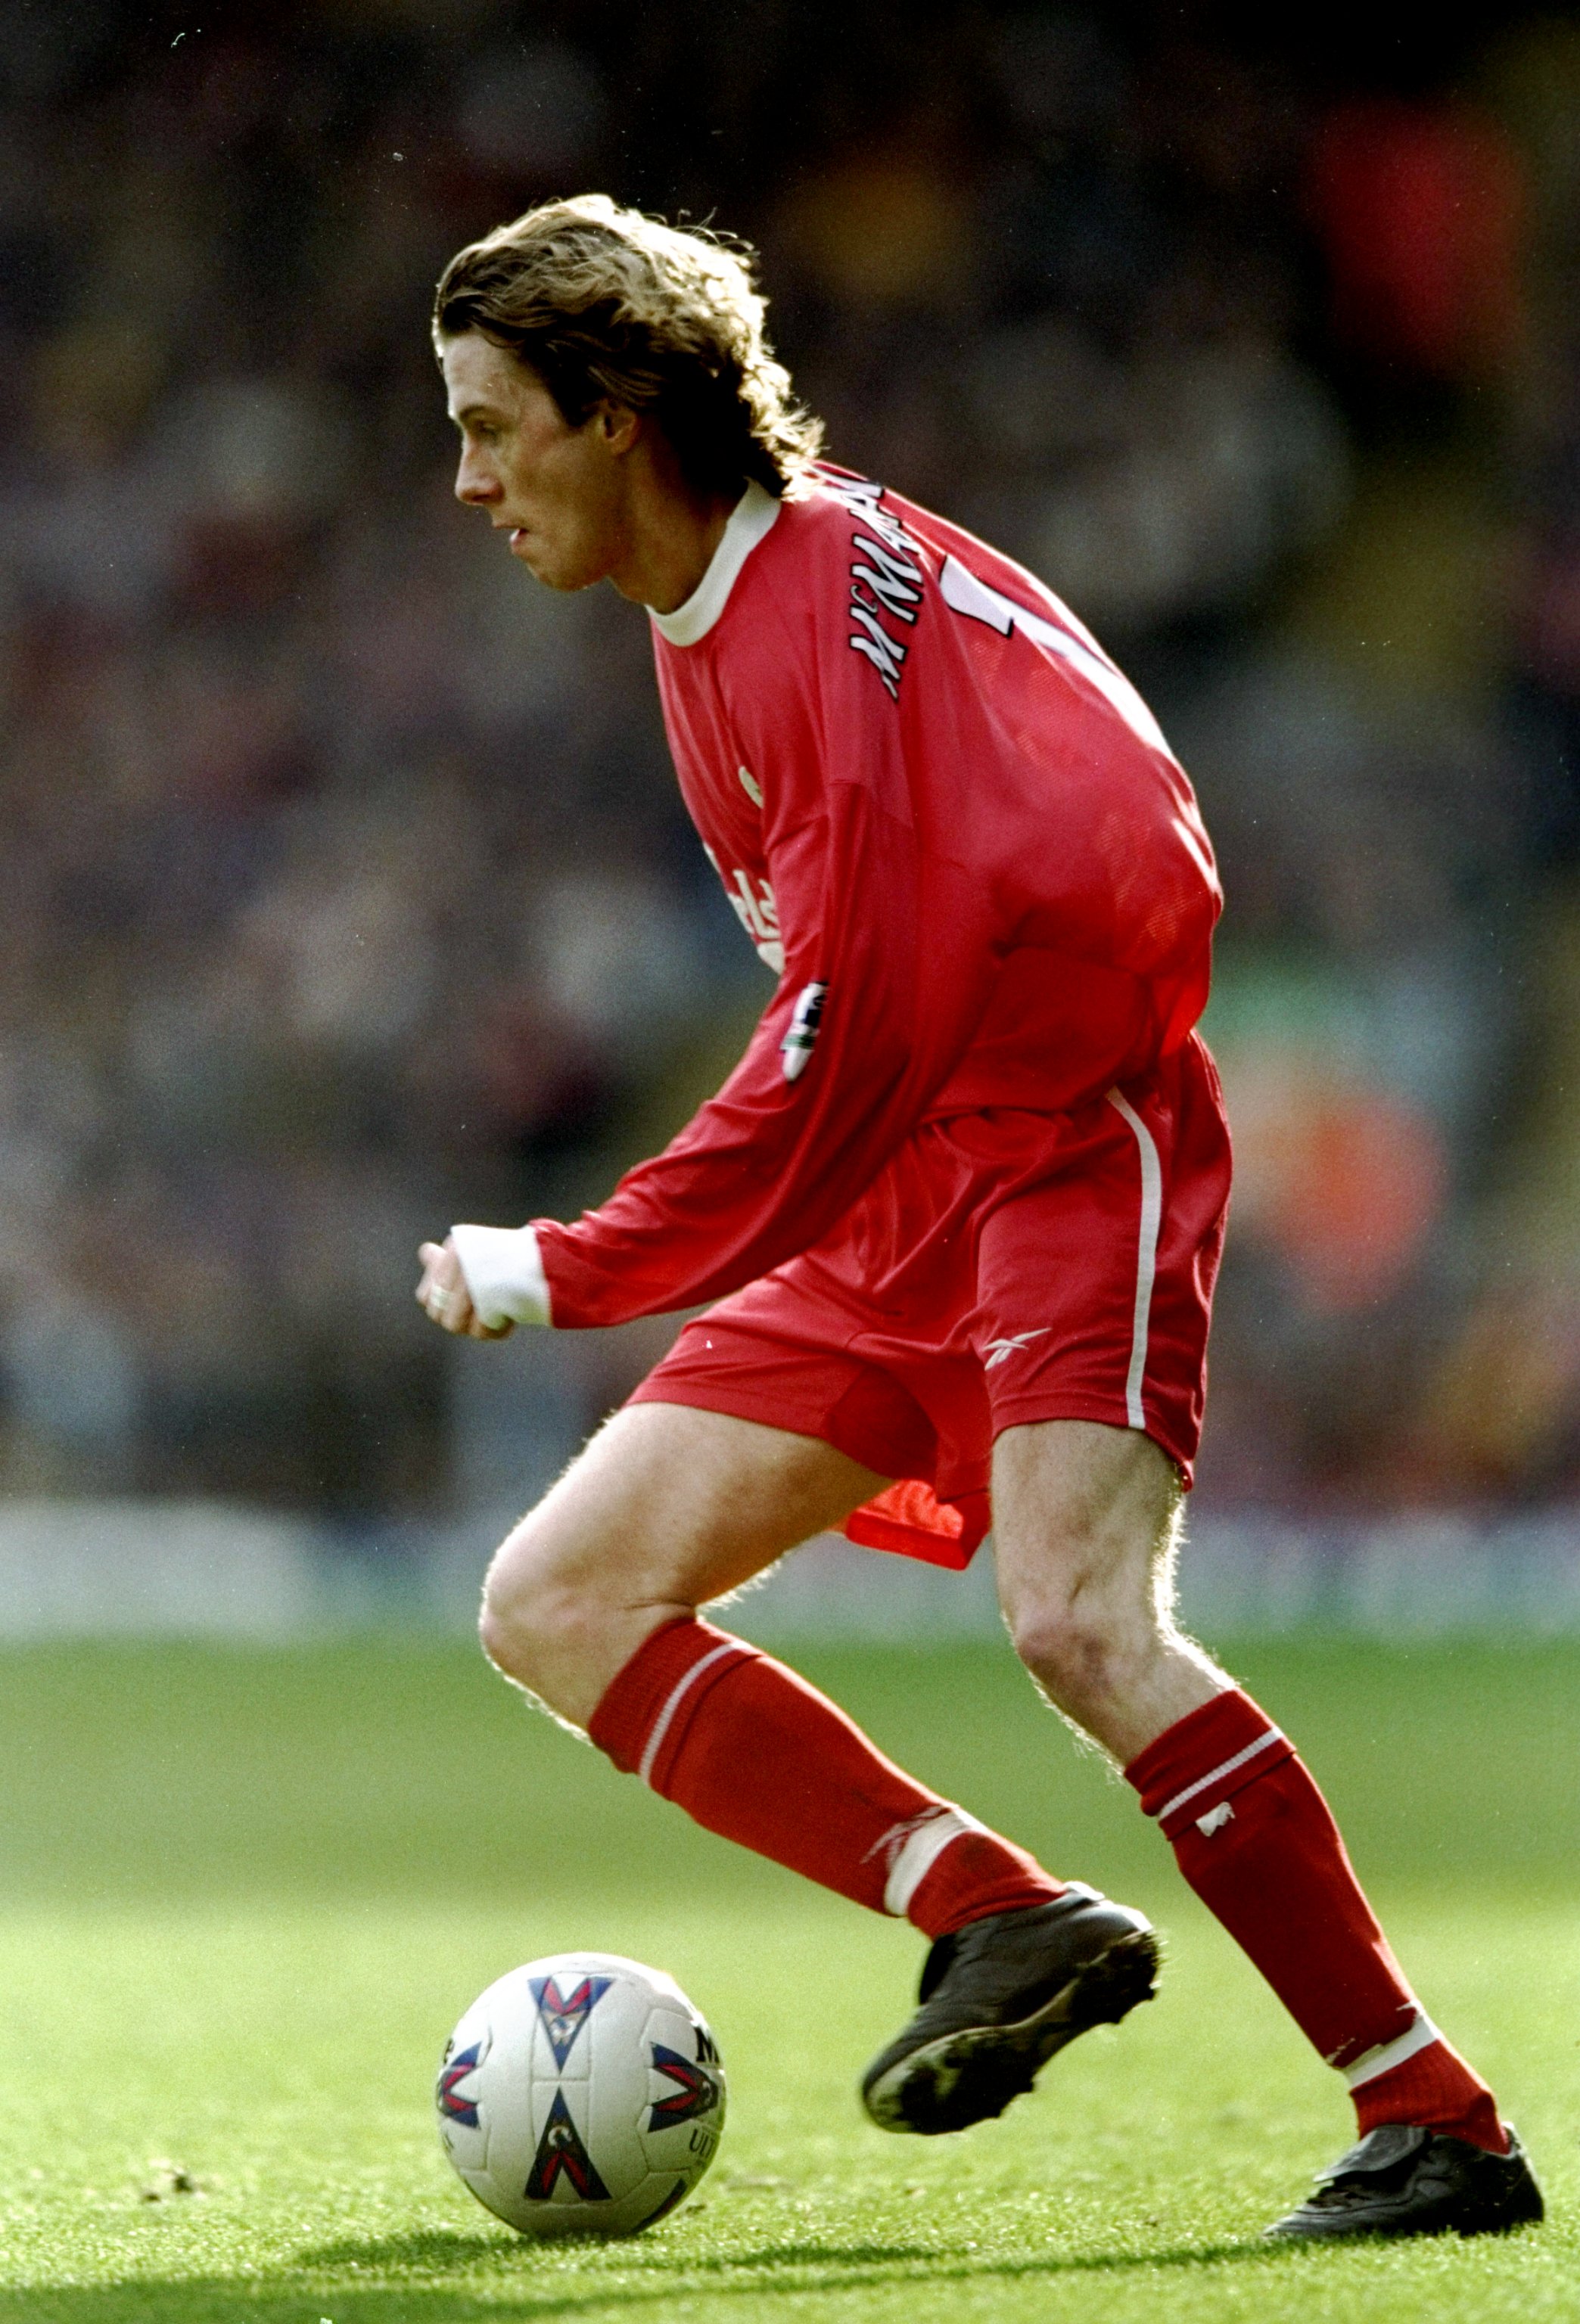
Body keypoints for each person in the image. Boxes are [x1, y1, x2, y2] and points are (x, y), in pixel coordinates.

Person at [416, 193, 1541, 2242]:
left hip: (1054, 1150)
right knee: (553, 1600)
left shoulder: (807, 609)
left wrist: (562, 1264)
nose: (468, 477)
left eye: (497, 428)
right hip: (908, 1184)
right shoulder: (727, 606)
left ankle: (1437, 2119)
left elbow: (844, 1033)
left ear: (619, 410)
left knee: (1080, 1622)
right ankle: (998, 1917)